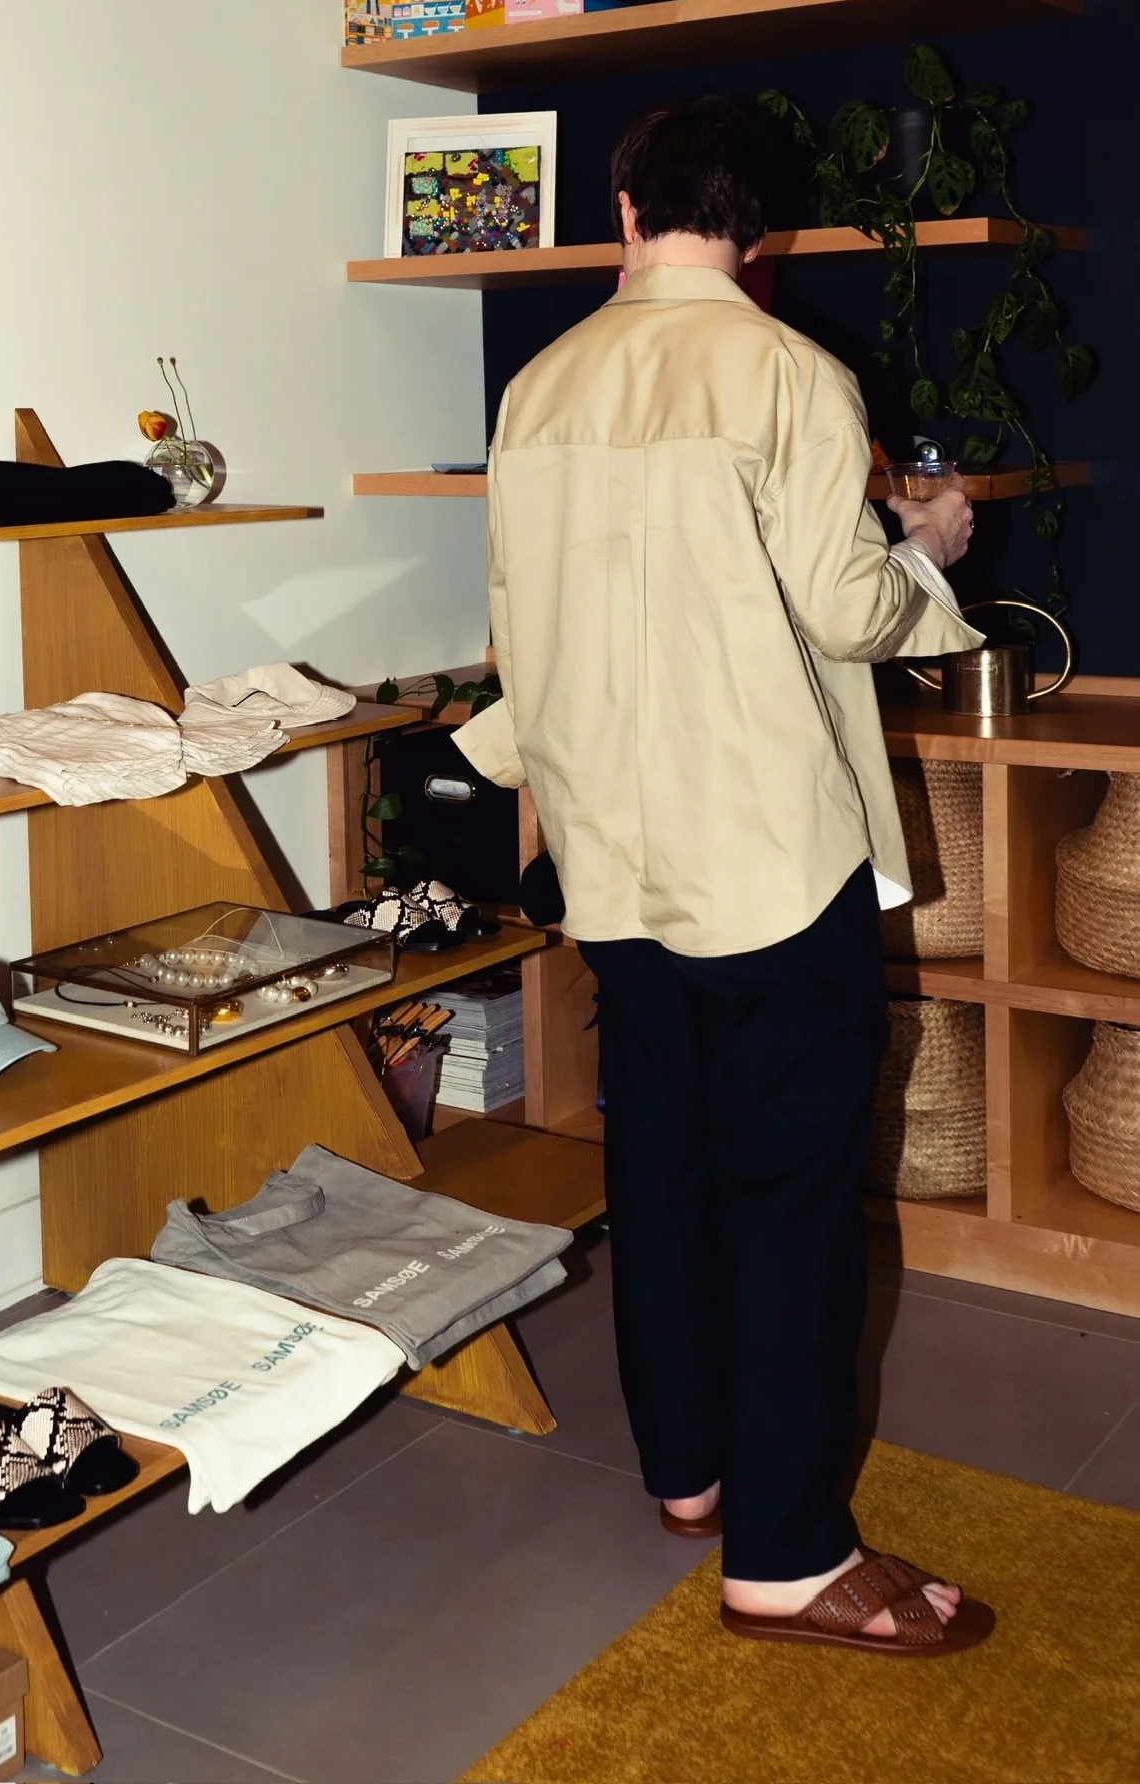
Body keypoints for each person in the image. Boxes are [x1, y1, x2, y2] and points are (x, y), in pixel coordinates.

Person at [454, 98, 996, 1657]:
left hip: (610, 851)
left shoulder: (540, 388)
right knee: (789, 1200)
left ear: (625, 212)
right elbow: (842, 610)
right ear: (760, 231)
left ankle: (687, 1470)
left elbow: (523, 615)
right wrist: (926, 551)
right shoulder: (788, 374)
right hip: (763, 852)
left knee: (662, 1163)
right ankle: (786, 1554)